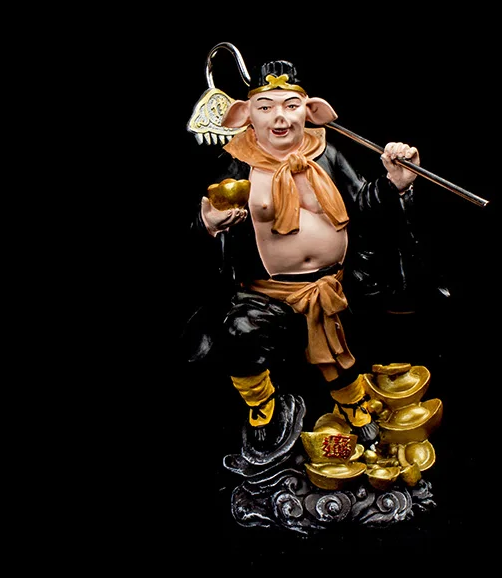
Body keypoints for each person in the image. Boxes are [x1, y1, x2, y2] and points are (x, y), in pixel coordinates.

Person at [181, 56, 428, 464]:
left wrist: (394, 184)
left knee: (348, 342)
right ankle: (262, 405)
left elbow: (363, 202)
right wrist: (209, 224)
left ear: (311, 111)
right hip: (266, 292)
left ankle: (353, 404)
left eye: (291, 106)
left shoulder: (327, 153)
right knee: (239, 334)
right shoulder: (237, 162)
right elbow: (204, 219)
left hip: (333, 282)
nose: (280, 118)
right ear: (246, 116)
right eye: (265, 108)